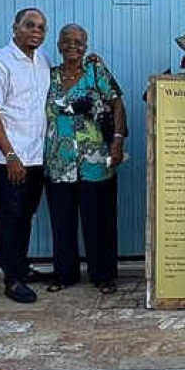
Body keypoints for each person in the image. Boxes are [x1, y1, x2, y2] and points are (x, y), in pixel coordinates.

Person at [44, 24, 128, 294]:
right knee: (62, 220)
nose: (73, 46)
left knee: (99, 220)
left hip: (96, 161)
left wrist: (117, 140)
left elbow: (117, 104)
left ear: (86, 46)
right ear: (58, 45)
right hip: (59, 161)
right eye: (67, 41)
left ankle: (103, 275)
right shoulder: (48, 76)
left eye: (79, 42)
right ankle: (64, 274)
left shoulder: (96, 72)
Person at [0, 8, 52, 304]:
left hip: (35, 157)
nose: (36, 30)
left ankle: (21, 267)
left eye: (41, 27)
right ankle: (12, 278)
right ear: (15, 28)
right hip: (9, 158)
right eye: (29, 25)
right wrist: (10, 154)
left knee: (26, 215)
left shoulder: (42, 61)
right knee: (10, 216)